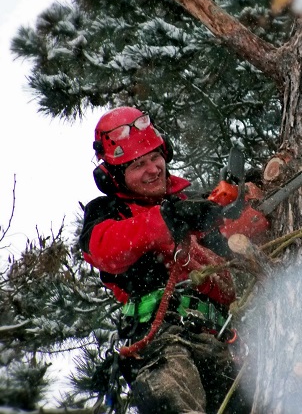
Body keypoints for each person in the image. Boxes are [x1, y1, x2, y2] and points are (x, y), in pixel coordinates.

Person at [79, 106, 269, 414]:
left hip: (219, 341)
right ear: (116, 175)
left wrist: (245, 203)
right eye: (139, 164)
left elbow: (234, 234)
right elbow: (105, 250)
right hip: (162, 340)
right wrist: (167, 219)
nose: (153, 168)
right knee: (173, 403)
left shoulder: (190, 208)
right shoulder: (109, 212)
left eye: (155, 157)